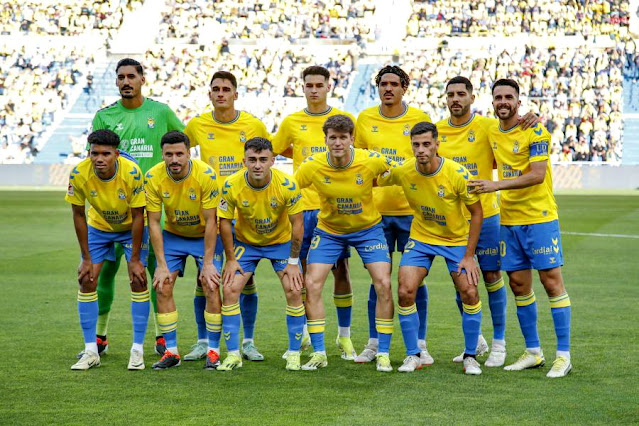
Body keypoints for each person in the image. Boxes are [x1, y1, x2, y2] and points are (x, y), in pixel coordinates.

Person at [469, 78, 572, 378]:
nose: (503, 102)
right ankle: (533, 351)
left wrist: (495, 185)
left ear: (518, 101)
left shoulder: (535, 129)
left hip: (539, 217)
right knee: (518, 285)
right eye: (498, 97)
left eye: (508, 97)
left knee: (552, 283)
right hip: (509, 221)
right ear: (492, 102)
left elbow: (537, 175)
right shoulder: (490, 129)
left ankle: (563, 356)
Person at [90, 58, 185, 357]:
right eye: (121, 77)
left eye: (131, 76)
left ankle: (161, 335)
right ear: (116, 82)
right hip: (115, 212)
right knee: (105, 271)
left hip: (154, 210)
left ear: (143, 79)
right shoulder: (104, 116)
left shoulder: (161, 111)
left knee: (157, 271)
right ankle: (100, 334)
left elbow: (183, 146)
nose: (126, 81)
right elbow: (96, 161)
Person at [378, 122, 484, 374]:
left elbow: (477, 213)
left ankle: (471, 355)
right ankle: (413, 354)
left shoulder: (457, 174)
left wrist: (469, 256)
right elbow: (376, 178)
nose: (421, 150)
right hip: (421, 238)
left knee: (469, 291)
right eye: (416, 145)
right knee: (405, 290)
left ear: (437, 144)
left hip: (455, 240)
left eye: (426, 144)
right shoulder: (404, 170)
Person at [295, 115, 395, 372]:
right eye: (333, 138)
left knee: (383, 282)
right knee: (312, 282)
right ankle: (319, 353)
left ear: (352, 139)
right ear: (325, 139)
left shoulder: (371, 160)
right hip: (329, 231)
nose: (338, 142)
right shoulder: (312, 166)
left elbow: (398, 171)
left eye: (343, 137)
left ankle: (383, 352)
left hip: (368, 230)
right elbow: (288, 189)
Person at [184, 71, 270, 362]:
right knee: (203, 278)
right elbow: (181, 155)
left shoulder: (253, 124)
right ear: (209, 94)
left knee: (245, 279)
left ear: (236, 94)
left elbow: (264, 158)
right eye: (216, 89)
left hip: (243, 213)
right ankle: (203, 340)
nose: (221, 93)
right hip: (209, 214)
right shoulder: (197, 124)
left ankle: (247, 341)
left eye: (226, 89)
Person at [272, 65, 356, 361]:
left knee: (341, 271)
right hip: (302, 208)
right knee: (306, 274)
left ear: (329, 86)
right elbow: (274, 150)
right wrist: (298, 157)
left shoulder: (342, 121)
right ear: (303, 87)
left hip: (333, 208)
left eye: (319, 84)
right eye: (309, 85)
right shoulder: (292, 121)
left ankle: (344, 336)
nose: (314, 89)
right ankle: (308, 332)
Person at [354, 65, 433, 365]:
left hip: (413, 213)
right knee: (380, 280)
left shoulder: (419, 118)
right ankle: (374, 342)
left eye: (394, 84)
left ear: (404, 88)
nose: (388, 88)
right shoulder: (365, 119)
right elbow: (359, 162)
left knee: (415, 281)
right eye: (383, 84)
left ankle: (420, 344)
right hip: (376, 214)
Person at [216, 137, 305, 371]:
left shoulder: (287, 184)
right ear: (244, 160)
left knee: (294, 289)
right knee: (229, 288)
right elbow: (224, 222)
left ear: (273, 161)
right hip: (248, 244)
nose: (257, 165)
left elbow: (298, 224)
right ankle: (234, 354)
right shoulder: (231, 184)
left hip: (281, 243)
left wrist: (294, 262)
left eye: (263, 160)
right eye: (252, 160)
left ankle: (294, 353)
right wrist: (231, 259)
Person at [66, 129, 149, 371]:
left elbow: (138, 216)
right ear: (88, 153)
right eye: (94, 153)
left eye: (105, 154)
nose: (99, 159)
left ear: (117, 154)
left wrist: (134, 258)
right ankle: (91, 350)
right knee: (87, 280)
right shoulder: (78, 173)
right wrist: (85, 257)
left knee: (138, 280)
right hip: (99, 227)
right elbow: (78, 215)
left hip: (130, 227)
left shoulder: (132, 172)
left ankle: (137, 350)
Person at [144, 131, 222, 370]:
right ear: (162, 155)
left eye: (180, 154)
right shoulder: (153, 177)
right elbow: (154, 222)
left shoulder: (206, 175)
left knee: (211, 284)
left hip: (203, 236)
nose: (175, 159)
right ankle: (171, 352)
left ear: (189, 153)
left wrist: (208, 263)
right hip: (174, 237)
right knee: (162, 284)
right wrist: (160, 265)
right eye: (169, 154)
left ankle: (214, 351)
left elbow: (212, 221)